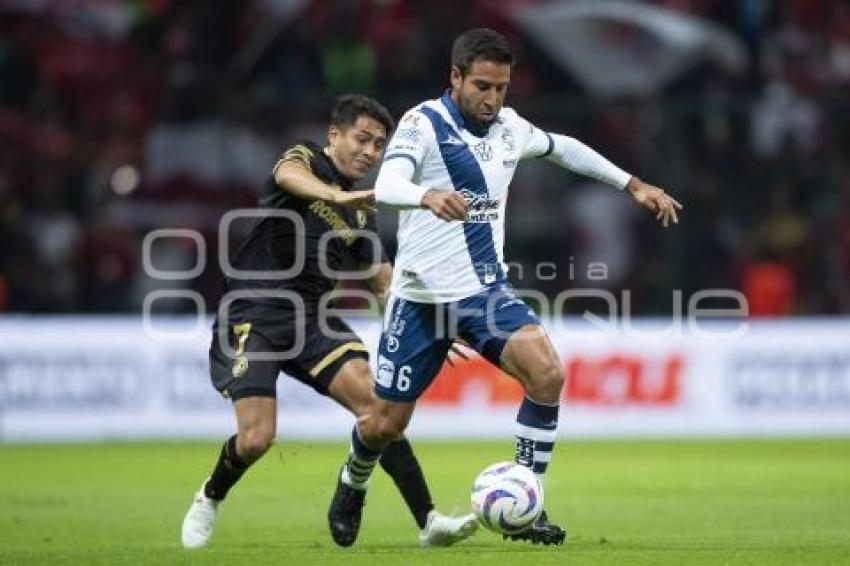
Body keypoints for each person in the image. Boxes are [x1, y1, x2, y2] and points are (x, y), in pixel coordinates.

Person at [327, 29, 682, 546]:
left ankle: (526, 498)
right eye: (482, 86)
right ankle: (352, 481)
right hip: (420, 298)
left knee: (547, 374)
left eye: (501, 88)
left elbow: (565, 149)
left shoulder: (510, 128)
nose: (492, 99)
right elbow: (389, 185)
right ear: (455, 77)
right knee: (383, 425)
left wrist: (632, 184)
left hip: (484, 294)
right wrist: (427, 196)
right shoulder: (422, 124)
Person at [181, 94, 478, 549]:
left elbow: (385, 283)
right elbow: (287, 175)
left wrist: (430, 321)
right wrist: (336, 193)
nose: (370, 152)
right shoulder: (304, 160)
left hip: (314, 319)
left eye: (379, 145)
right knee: (257, 438)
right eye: (362, 139)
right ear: (333, 135)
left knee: (381, 413)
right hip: (255, 312)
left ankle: (429, 520)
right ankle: (210, 495)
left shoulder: (359, 212)